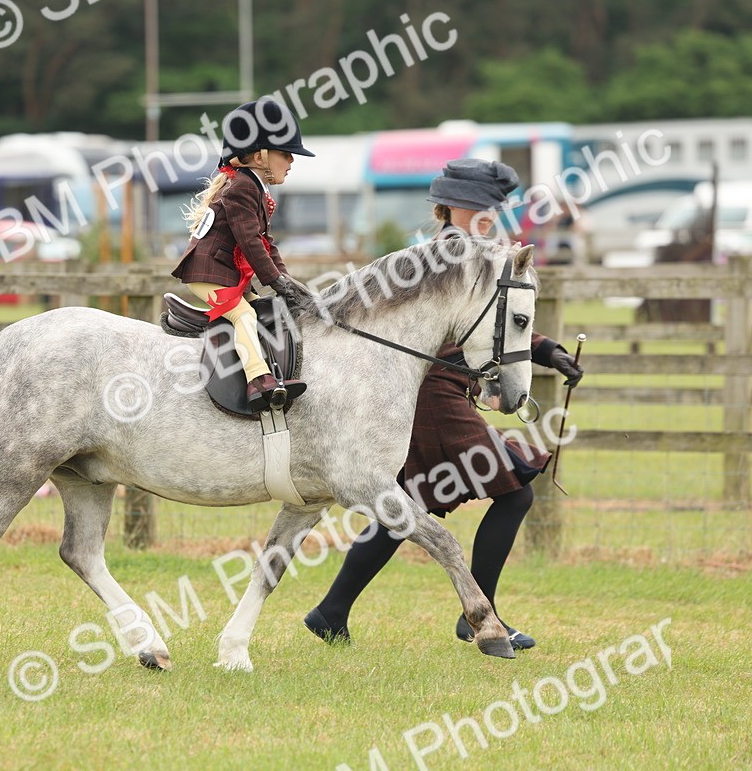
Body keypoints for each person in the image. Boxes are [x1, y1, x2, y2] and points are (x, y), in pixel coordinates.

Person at [303, 159, 585, 651]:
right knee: (514, 491)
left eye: (493, 207)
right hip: (433, 391)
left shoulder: (476, 255)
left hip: (443, 391)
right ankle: (479, 615)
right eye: (481, 206)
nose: (490, 215)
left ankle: (331, 612)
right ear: (452, 207)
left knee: (405, 508)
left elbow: (498, 322)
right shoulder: (442, 258)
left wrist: (546, 351)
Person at [172, 98, 317, 411]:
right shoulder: (242, 188)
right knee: (244, 314)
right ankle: (257, 379)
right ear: (259, 155)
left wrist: (287, 282)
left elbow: (266, 243)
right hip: (207, 272)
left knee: (266, 309)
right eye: (285, 153)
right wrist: (275, 280)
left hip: (223, 272)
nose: (291, 161)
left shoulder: (252, 186)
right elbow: (249, 241)